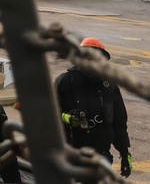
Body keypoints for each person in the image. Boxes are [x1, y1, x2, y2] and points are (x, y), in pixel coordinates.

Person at [55, 37, 132, 177]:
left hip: (101, 156)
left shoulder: (109, 86)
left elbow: (119, 122)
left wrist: (124, 151)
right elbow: (48, 113)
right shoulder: (65, 82)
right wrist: (66, 117)